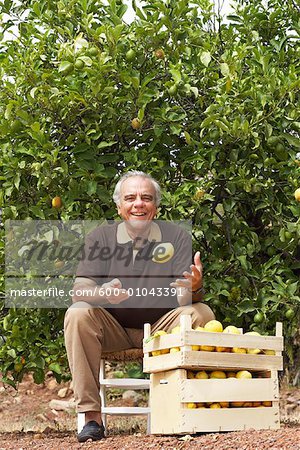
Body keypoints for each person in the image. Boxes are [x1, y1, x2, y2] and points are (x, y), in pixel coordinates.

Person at [64, 171, 215, 442]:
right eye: (130, 198)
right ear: (120, 207)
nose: (138, 204)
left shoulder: (176, 237)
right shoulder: (100, 238)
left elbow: (184, 299)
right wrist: (102, 294)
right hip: (113, 329)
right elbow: (79, 292)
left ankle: (187, 411)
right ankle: (91, 419)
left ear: (155, 207)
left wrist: (194, 288)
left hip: (160, 329)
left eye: (146, 198)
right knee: (77, 314)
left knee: (202, 313)